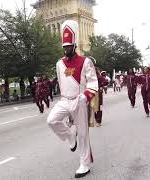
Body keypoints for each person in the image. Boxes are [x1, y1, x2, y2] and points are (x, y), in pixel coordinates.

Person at [47, 20, 98, 178]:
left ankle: (84, 164)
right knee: (51, 120)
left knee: (83, 133)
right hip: (64, 100)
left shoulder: (85, 61)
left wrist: (85, 96)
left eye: (69, 46)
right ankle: (69, 136)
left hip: (80, 100)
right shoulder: (59, 64)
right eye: (64, 46)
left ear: (74, 46)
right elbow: (64, 81)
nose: (66, 49)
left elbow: (93, 82)